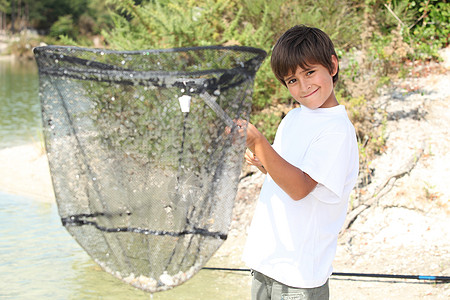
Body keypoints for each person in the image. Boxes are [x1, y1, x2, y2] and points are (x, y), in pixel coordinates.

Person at [238, 25, 359, 300]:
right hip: (265, 262)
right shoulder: (293, 118)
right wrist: (261, 161)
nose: (303, 86)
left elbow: (300, 188)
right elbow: (283, 174)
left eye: (309, 72)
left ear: (332, 65)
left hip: (299, 276)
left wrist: (259, 142)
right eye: (292, 80)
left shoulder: (337, 130)